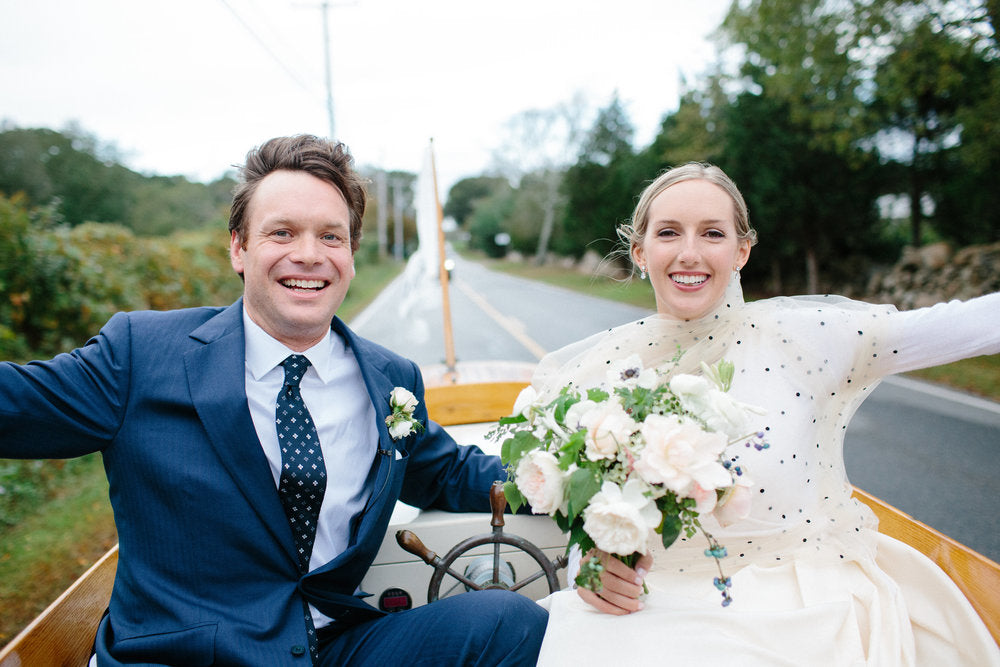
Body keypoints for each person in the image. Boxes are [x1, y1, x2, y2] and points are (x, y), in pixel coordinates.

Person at [0, 134, 546, 666]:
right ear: (239, 248)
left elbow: (448, 472)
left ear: (352, 254)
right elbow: (14, 404)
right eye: (282, 233)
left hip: (330, 645)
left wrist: (582, 482)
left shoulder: (389, 379)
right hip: (183, 656)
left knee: (508, 619)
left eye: (331, 237)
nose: (308, 256)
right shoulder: (140, 355)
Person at [531, 163, 1000, 666]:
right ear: (641, 253)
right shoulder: (601, 376)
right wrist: (593, 568)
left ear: (741, 251)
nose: (690, 252)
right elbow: (591, 524)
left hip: (802, 610)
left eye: (712, 233)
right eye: (669, 232)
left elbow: (966, 325)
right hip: (649, 612)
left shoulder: (806, 338)